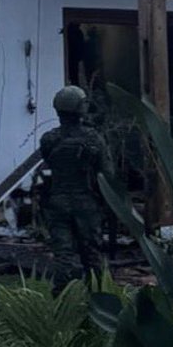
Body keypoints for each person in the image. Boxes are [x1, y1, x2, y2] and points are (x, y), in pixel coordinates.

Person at [39, 85, 110, 294]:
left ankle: (60, 297)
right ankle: (98, 298)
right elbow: (107, 173)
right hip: (86, 202)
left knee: (63, 253)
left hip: (57, 201)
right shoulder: (93, 139)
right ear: (81, 108)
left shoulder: (49, 139)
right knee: (92, 254)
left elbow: (49, 161)